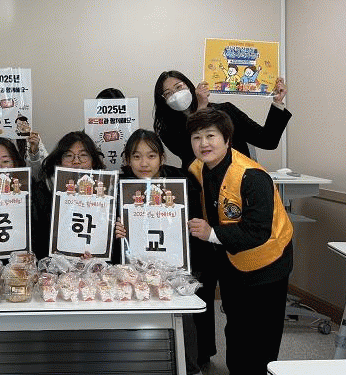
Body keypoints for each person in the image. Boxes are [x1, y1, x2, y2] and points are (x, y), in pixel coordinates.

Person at [187, 108, 293, 375]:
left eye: (211, 136)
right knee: (236, 325)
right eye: (197, 137)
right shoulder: (198, 168)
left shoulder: (252, 176)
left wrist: (211, 233)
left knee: (261, 334)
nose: (203, 143)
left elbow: (258, 231)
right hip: (231, 259)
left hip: (268, 262)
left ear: (227, 139)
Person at [115, 129, 203, 375]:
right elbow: (106, 228)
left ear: (162, 158)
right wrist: (116, 230)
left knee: (180, 318)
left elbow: (195, 226)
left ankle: (190, 368)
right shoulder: (120, 186)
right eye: (136, 157)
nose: (144, 163)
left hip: (174, 265)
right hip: (134, 267)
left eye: (151, 156)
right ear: (127, 160)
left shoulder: (181, 182)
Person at [153, 70, 291, 170]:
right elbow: (192, 155)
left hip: (239, 181)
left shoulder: (226, 110)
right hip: (202, 188)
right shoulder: (167, 128)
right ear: (163, 100)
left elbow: (268, 140)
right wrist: (201, 109)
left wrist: (278, 102)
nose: (176, 95)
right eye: (168, 93)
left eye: (179, 87)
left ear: (189, 86)